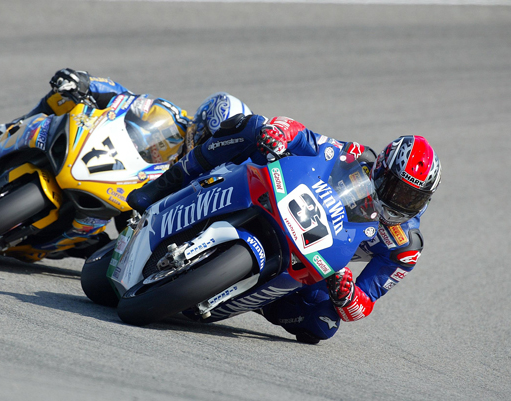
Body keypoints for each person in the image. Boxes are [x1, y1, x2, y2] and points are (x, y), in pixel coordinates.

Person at [127, 112, 442, 344]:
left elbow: (363, 305)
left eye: (412, 198)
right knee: (251, 126)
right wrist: (279, 133)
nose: (400, 202)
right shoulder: (357, 157)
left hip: (318, 263)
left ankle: (256, 298)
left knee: (323, 323)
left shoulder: (405, 247)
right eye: (396, 189)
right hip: (291, 203)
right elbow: (304, 137)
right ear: (382, 170)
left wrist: (347, 293)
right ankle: (166, 184)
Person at [0, 68, 252, 258]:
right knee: (63, 97)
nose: (205, 145)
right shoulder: (169, 114)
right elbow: (124, 97)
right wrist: (85, 82)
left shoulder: (201, 176)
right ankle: (10, 126)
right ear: (201, 122)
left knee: (100, 247)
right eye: (205, 137)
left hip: (124, 202)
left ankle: (75, 244)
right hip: (103, 159)